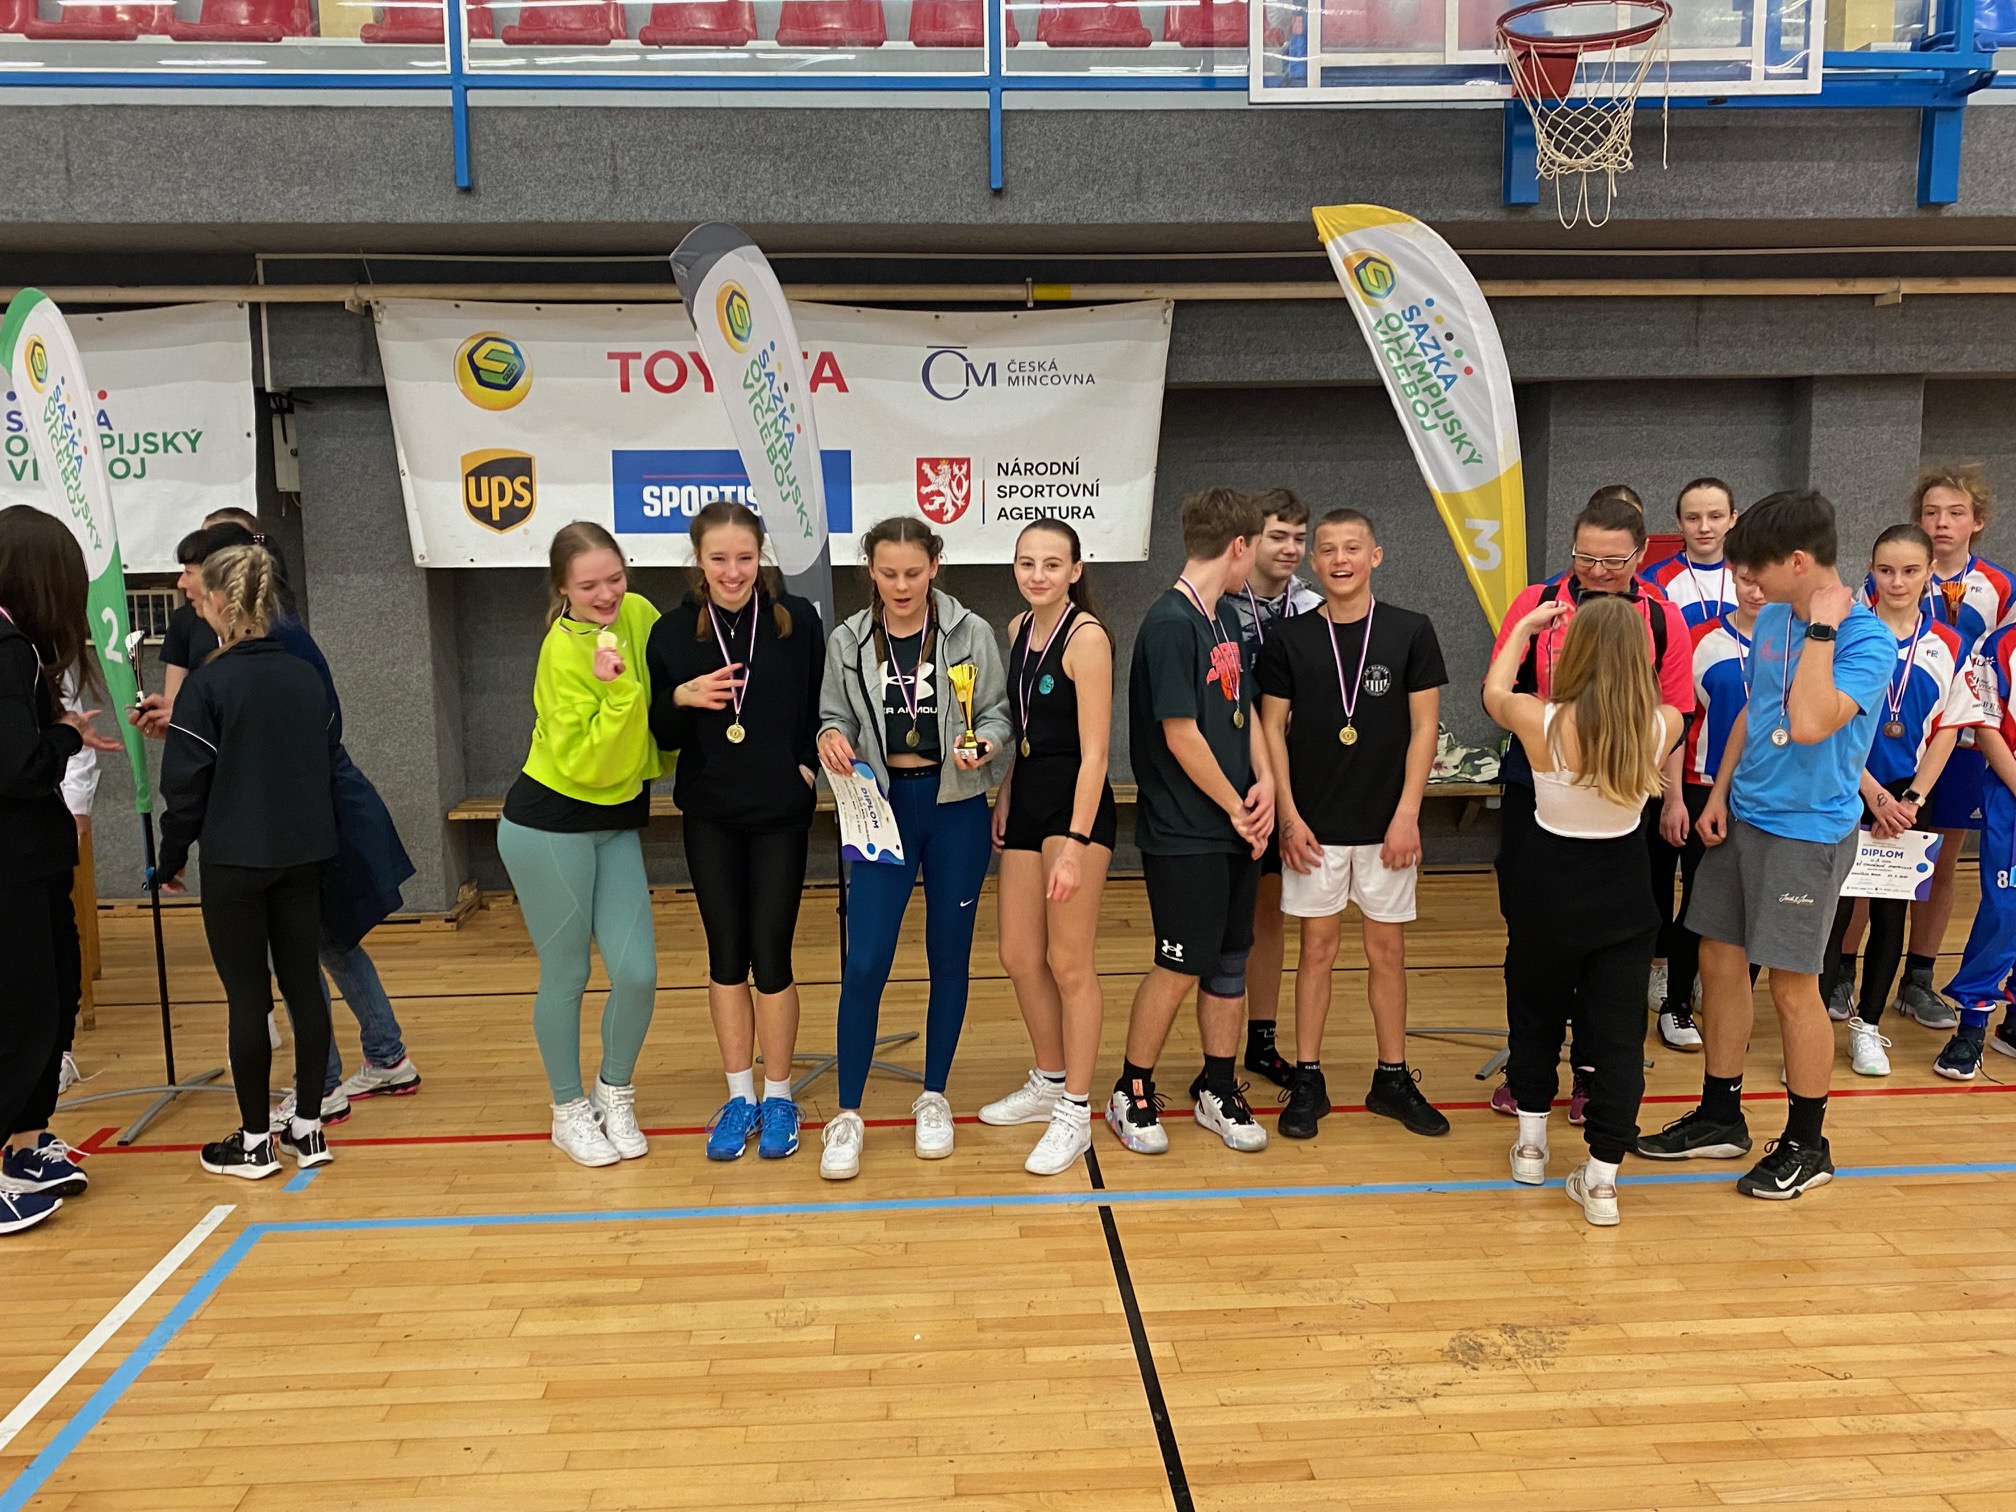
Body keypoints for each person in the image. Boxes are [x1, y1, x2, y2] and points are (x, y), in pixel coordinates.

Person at [1637, 490, 1894, 1199]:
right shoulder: (1777, 616)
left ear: (1799, 562)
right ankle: (1721, 1115)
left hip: (1806, 833)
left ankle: (1809, 1144)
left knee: (1791, 986)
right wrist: (1719, 792)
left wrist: (1823, 629)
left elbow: (1809, 721)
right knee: (1719, 961)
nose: (1747, 581)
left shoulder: (1866, 640)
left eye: (1758, 568)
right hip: (1744, 815)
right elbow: (1758, 708)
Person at [134, 521, 422, 1129]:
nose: (183, 584)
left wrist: (173, 848)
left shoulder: (276, 651)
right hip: (301, 826)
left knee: (299, 962)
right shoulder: (266, 655)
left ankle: (319, 1091)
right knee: (326, 944)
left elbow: (288, 741)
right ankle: (380, 1058)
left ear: (225, 587)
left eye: (192, 571)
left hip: (286, 826)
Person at [1489, 493, 1695, 1121]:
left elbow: (1678, 711)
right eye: (1585, 557)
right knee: (1533, 935)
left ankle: (1591, 1072)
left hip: (1623, 785)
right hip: (1538, 782)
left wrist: (1669, 791)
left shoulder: (1661, 617)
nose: (1598, 570)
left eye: (1613, 560)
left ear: (1641, 555)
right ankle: (1530, 1068)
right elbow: (1503, 688)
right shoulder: (1537, 601)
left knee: (1613, 945)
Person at [815, 517, 1009, 1181]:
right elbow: (834, 715)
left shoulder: (969, 631)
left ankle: (934, 1097)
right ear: (870, 570)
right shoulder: (848, 639)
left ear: (935, 568)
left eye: (914, 573)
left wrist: (985, 744)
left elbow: (997, 716)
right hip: (881, 811)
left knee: (948, 957)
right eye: (888, 573)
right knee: (866, 960)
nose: (901, 585)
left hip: (955, 810)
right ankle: (848, 1113)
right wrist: (831, 737)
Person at [1485, 595, 1680, 1226]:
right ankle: (1601, 1182)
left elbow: (1494, 691)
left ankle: (1530, 1148)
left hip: (1546, 897)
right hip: (1624, 903)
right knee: (1618, 1041)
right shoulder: (1663, 724)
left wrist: (1525, 627)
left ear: (1574, 654)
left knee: (1534, 1017)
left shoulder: (1539, 720)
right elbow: (1663, 706)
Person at [1257, 507, 1448, 1140]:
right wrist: (1289, 817)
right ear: (1313, 562)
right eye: (1328, 550)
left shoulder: (1410, 629)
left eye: (1353, 548)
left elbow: (1425, 727)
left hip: (1388, 826)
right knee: (1316, 950)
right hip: (1313, 827)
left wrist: (1408, 813)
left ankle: (1391, 1078)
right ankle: (1308, 1078)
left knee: (1386, 952)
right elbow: (1271, 730)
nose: (1340, 560)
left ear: (1375, 556)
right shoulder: (1289, 638)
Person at [157, 544, 342, 1179]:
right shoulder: (305, 676)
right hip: (304, 853)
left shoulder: (207, 684)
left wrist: (169, 857)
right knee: (303, 985)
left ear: (218, 602)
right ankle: (310, 1129)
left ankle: (256, 1141)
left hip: (236, 858)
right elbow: (328, 757)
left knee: (246, 998)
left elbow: (186, 788)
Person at [647, 501, 823, 1164]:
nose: (732, 571)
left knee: (771, 955)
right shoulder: (671, 633)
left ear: (760, 556)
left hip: (779, 812)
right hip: (711, 813)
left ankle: (778, 1096)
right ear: (698, 559)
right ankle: (739, 1096)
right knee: (726, 955)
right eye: (718, 558)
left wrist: (805, 764)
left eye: (744, 558)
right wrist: (680, 698)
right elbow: (661, 733)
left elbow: (818, 703)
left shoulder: (796, 621)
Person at [1108, 488, 1276, 1157]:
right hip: (1186, 831)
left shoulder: (1227, 617)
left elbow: (1247, 711)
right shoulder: (1170, 624)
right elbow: (1180, 735)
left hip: (1238, 825)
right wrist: (1237, 807)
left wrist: (1264, 784)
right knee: (1179, 965)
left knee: (1230, 964)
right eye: (1255, 548)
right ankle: (1132, 1089)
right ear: (1239, 546)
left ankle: (1218, 1086)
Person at [497, 522, 664, 1169]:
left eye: (615, 578)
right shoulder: (561, 653)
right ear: (563, 588)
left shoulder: (639, 613)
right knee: (568, 973)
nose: (607, 594)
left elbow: (672, 675)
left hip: (615, 820)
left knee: (638, 973)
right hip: (549, 824)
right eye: (589, 585)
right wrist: (619, 690)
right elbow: (589, 762)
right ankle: (567, 1111)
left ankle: (613, 1092)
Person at [980, 519, 1117, 1177]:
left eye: (1052, 564)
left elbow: (1096, 754)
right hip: (1029, 799)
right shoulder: (1015, 630)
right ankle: (1050, 1078)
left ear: (1075, 571)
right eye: (1026, 563)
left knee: (1069, 963)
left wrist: (1075, 845)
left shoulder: (1087, 638)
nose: (1037, 575)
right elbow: (1025, 728)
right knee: (1016, 953)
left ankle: (1076, 1110)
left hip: (1075, 809)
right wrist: (1006, 790)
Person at [1820, 525, 1978, 1077]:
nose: (1897, 581)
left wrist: (1910, 798)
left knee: (1890, 914)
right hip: (1847, 786)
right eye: (1886, 570)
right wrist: (1873, 792)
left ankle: (1868, 1027)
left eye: (1911, 571)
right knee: (1835, 912)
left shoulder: (1951, 644)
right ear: (1871, 570)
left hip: (1909, 796)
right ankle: (1813, 1032)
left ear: (1930, 573)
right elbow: (1832, 722)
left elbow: (1948, 730)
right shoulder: (1847, 633)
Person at [0, 508, 120, 1230]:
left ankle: (27, 1143)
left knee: (53, 994)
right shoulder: (6, 648)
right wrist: (65, 735)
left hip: (35, 859)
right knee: (21, 1009)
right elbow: (17, 765)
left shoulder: (21, 647)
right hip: (11, 863)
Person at [1884, 467, 2012, 1030]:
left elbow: (2000, 665)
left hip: (1964, 741)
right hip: (1900, 738)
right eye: (1932, 511)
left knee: (1938, 859)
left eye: (1956, 512)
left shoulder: (2001, 586)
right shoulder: (1892, 575)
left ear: (1976, 522)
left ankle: (1918, 977)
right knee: (1876, 855)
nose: (1942, 522)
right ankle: (1845, 972)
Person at [1225, 487, 1322, 1090]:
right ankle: (1215, 1051)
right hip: (1230, 776)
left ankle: (1262, 1040)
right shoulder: (1219, 604)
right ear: (1249, 540)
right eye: (1277, 536)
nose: (1289, 548)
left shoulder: (1315, 607)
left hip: (1293, 775)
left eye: (1298, 538)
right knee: (1224, 921)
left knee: (1271, 913)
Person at [1658, 566, 1769, 1051]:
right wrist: (1674, 797)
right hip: (1704, 787)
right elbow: (1678, 719)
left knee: (1755, 905)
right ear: (1733, 580)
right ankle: (1676, 1004)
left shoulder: (1800, 640)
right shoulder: (1700, 637)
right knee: (1700, 902)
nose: (1757, 590)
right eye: (1746, 579)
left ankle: (1732, 998)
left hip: (1769, 792)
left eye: (1765, 580)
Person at [1644, 479, 1742, 1018]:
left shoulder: (1751, 578)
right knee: (1661, 868)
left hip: (1737, 760)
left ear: (1733, 518)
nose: (1704, 527)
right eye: (1693, 517)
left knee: (1715, 879)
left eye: (1715, 516)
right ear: (1678, 523)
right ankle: (1661, 965)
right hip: (1671, 748)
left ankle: (1704, 968)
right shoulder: (1658, 582)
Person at [1934, 617, 2016, 1079]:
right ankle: (1972, 1024)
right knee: (2006, 911)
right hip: (2011, 791)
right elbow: (1986, 725)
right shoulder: (2002, 644)